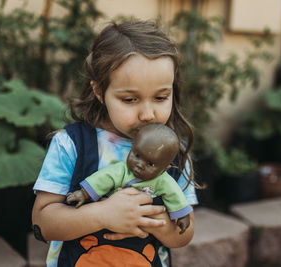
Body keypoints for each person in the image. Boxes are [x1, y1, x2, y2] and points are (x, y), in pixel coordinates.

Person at [32, 20, 198, 267]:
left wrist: (149, 219)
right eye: (130, 99)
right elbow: (42, 223)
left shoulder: (174, 153)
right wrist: (103, 215)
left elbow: (185, 232)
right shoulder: (72, 145)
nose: (148, 114)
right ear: (99, 91)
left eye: (161, 97)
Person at [66, 123, 192, 234]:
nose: (140, 165)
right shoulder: (122, 170)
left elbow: (175, 195)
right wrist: (84, 193)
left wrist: (182, 215)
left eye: (150, 164)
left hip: (142, 232)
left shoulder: (163, 181)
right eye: (137, 155)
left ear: (165, 169)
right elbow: (103, 178)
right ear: (132, 148)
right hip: (111, 219)